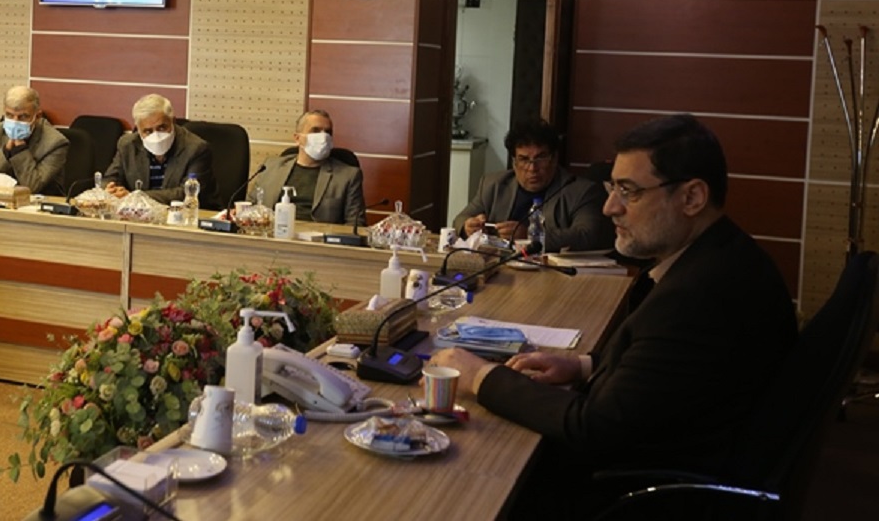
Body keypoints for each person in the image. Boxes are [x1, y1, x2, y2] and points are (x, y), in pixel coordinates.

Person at [431, 114, 798, 517]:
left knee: (463, 475)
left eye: (628, 192)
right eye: (612, 189)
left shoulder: (701, 294)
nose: (610, 207)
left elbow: (593, 427)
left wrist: (480, 377)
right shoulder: (719, 257)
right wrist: (583, 365)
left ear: (692, 198)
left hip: (641, 494)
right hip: (663, 454)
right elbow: (663, 369)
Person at [452, 118, 611, 251]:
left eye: (540, 158)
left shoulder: (581, 191)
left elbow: (588, 235)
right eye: (524, 159)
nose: (532, 168)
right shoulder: (494, 184)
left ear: (554, 159)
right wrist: (468, 226)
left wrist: (530, 236)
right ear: (514, 162)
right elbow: (460, 219)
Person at [103, 93, 219, 208]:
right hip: (141, 214)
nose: (156, 135)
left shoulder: (196, 148)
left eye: (162, 128)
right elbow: (110, 178)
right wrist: (111, 190)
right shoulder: (127, 145)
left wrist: (134, 197)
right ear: (138, 129)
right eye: (148, 131)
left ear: (173, 121)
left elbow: (187, 193)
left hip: (190, 214)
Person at [251, 109, 365, 224]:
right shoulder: (270, 166)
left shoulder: (348, 176)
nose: (323, 136)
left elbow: (356, 223)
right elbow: (251, 207)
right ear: (297, 138)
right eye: (315, 131)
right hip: (275, 231)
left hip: (319, 234)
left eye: (328, 132)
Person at [0, 86, 68, 195]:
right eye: (10, 115)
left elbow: (32, 187)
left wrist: (20, 150)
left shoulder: (55, 143)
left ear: (37, 116)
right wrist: (5, 152)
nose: (15, 122)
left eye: (23, 116)